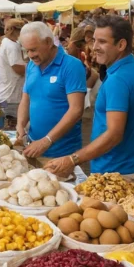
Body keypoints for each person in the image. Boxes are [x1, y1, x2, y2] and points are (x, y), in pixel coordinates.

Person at [45, 16, 134, 178]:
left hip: (117, 172)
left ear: (121, 45)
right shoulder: (132, 69)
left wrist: (72, 160)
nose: (94, 47)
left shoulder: (119, 79)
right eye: (94, 40)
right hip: (125, 167)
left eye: (102, 42)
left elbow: (114, 134)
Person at [17, 22, 86, 164]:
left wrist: (47, 141)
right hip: (33, 148)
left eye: (33, 50)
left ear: (48, 42)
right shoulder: (31, 65)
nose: (30, 55)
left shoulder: (72, 65)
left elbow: (76, 110)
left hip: (62, 154)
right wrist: (20, 125)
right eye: (27, 51)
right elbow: (26, 99)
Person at [0, 19, 26, 120]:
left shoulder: (6, 42)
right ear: (13, 29)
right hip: (11, 96)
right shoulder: (12, 46)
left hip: (5, 94)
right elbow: (18, 69)